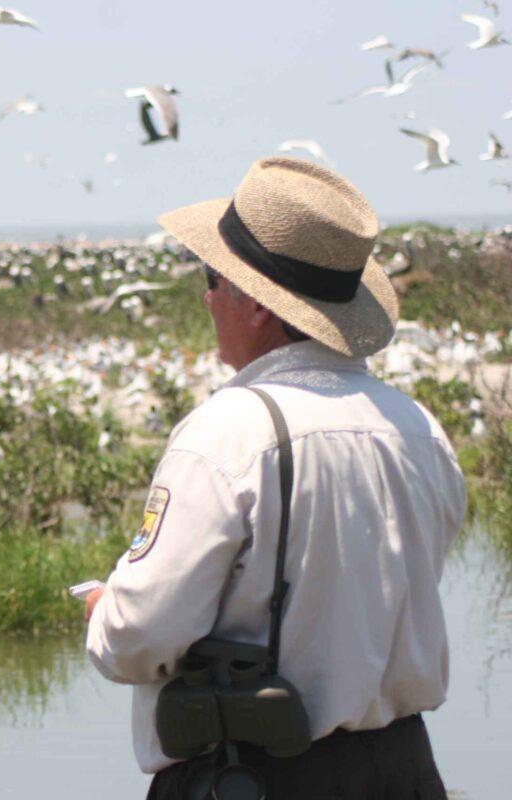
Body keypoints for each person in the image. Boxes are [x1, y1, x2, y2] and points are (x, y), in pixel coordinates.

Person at [84, 157, 467, 799]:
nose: (206, 296)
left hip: (259, 775)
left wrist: (104, 611)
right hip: (406, 771)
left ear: (256, 304)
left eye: (214, 278)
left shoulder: (229, 432)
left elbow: (138, 637)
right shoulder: (420, 428)